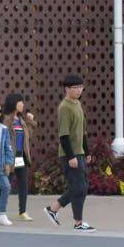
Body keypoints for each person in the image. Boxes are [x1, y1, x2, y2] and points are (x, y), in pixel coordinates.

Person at [44, 75, 96, 233]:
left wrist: (86, 151)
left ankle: (54, 209)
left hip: (79, 153)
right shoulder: (64, 107)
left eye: (81, 87)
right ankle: (77, 222)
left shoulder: (77, 104)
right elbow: (64, 135)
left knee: (82, 187)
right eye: (75, 87)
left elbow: (83, 131)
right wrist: (71, 156)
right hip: (69, 155)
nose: (79, 90)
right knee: (78, 187)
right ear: (66, 89)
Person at [2, 93, 38, 221]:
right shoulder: (7, 119)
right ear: (14, 103)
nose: (23, 104)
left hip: (21, 156)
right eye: (20, 102)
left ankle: (22, 211)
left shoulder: (21, 120)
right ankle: (0, 211)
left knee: (23, 184)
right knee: (6, 184)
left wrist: (30, 121)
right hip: (10, 157)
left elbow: (28, 136)